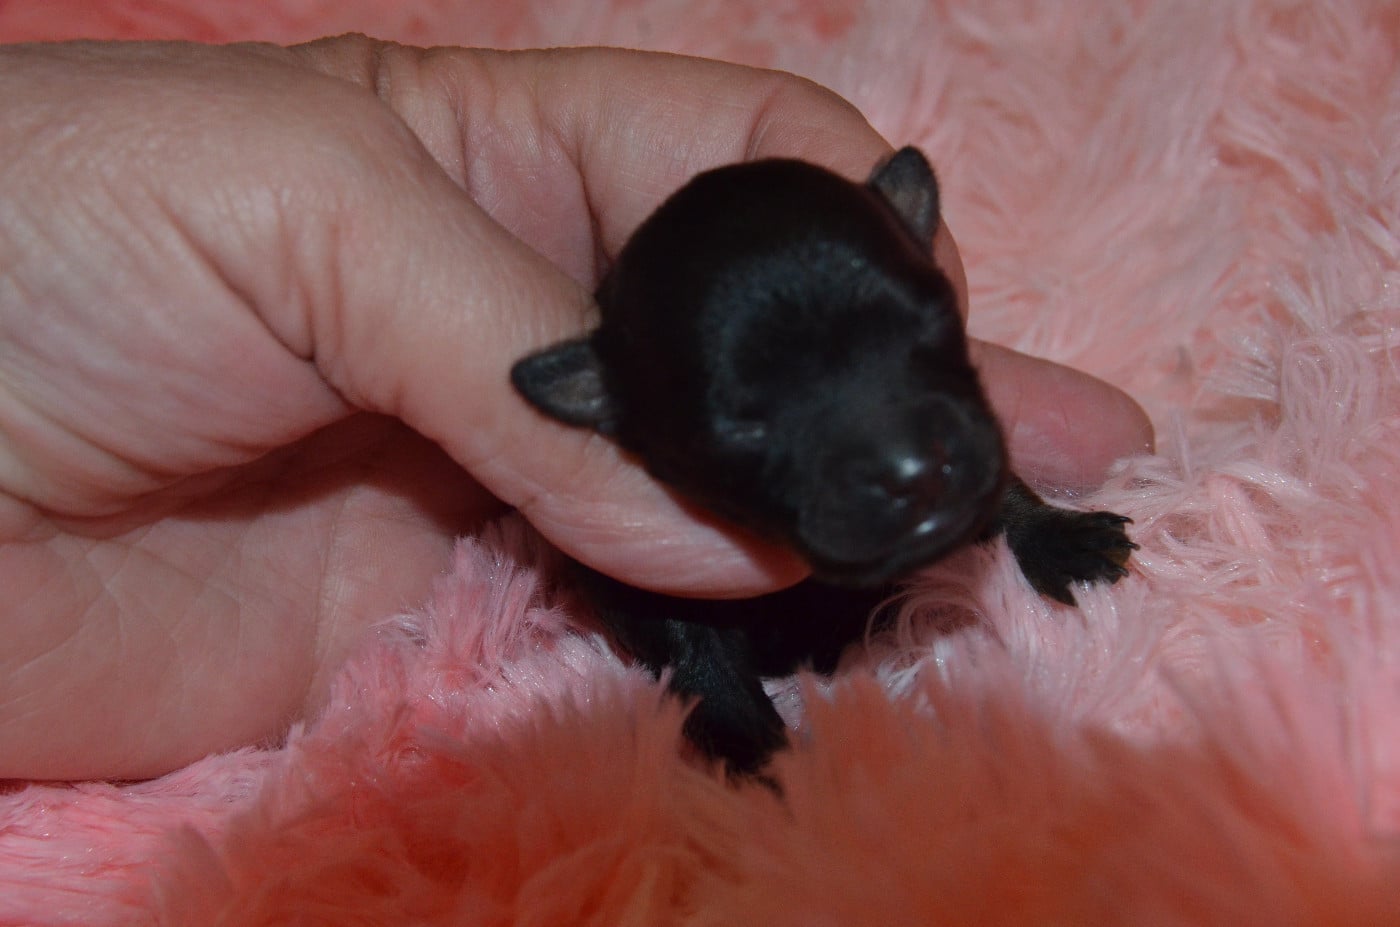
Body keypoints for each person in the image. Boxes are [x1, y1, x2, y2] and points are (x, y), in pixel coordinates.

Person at [0, 35, 1153, 781]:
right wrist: (741, 737)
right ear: (602, 414)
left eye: (918, 339)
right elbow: (678, 635)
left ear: (911, 229)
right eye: (755, 423)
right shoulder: (615, 508)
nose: (897, 450)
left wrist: (1030, 523)